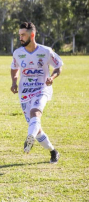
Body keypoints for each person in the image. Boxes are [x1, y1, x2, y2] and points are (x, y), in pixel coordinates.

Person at [10, 22, 63, 164]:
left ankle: (29, 137)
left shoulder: (45, 51)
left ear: (32, 35)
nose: (20, 37)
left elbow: (58, 66)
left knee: (35, 113)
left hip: (42, 89)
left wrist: (52, 77)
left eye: (23, 35)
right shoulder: (17, 53)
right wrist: (14, 82)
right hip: (24, 93)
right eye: (19, 35)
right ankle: (53, 151)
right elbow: (14, 68)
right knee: (37, 128)